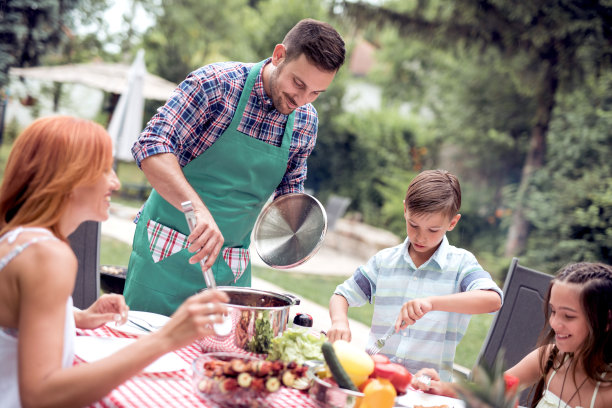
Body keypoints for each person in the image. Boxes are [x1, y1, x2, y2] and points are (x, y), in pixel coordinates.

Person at [0, 116, 229, 408]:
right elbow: (41, 395)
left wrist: (75, 317)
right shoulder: (49, 256)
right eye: (105, 169)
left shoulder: (16, 238)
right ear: (69, 177)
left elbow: (14, 318)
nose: (116, 182)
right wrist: (166, 339)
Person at [123, 18, 346, 316]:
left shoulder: (306, 121)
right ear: (279, 55)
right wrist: (197, 210)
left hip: (231, 269)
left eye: (316, 93)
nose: (302, 100)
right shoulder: (216, 84)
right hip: (167, 255)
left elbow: (289, 195)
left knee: (223, 361)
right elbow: (151, 146)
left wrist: (298, 234)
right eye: (298, 83)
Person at [327, 169, 503, 381]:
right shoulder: (384, 262)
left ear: (452, 223)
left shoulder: (461, 265)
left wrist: (432, 303)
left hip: (428, 388)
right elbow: (341, 295)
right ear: (405, 210)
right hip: (376, 378)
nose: (421, 237)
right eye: (413, 225)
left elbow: (493, 300)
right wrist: (339, 321)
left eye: (433, 230)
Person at [412, 262, 612, 408]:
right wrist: (439, 387)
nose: (554, 323)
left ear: (607, 321)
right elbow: (490, 392)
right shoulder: (550, 358)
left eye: (568, 316)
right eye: (553, 311)